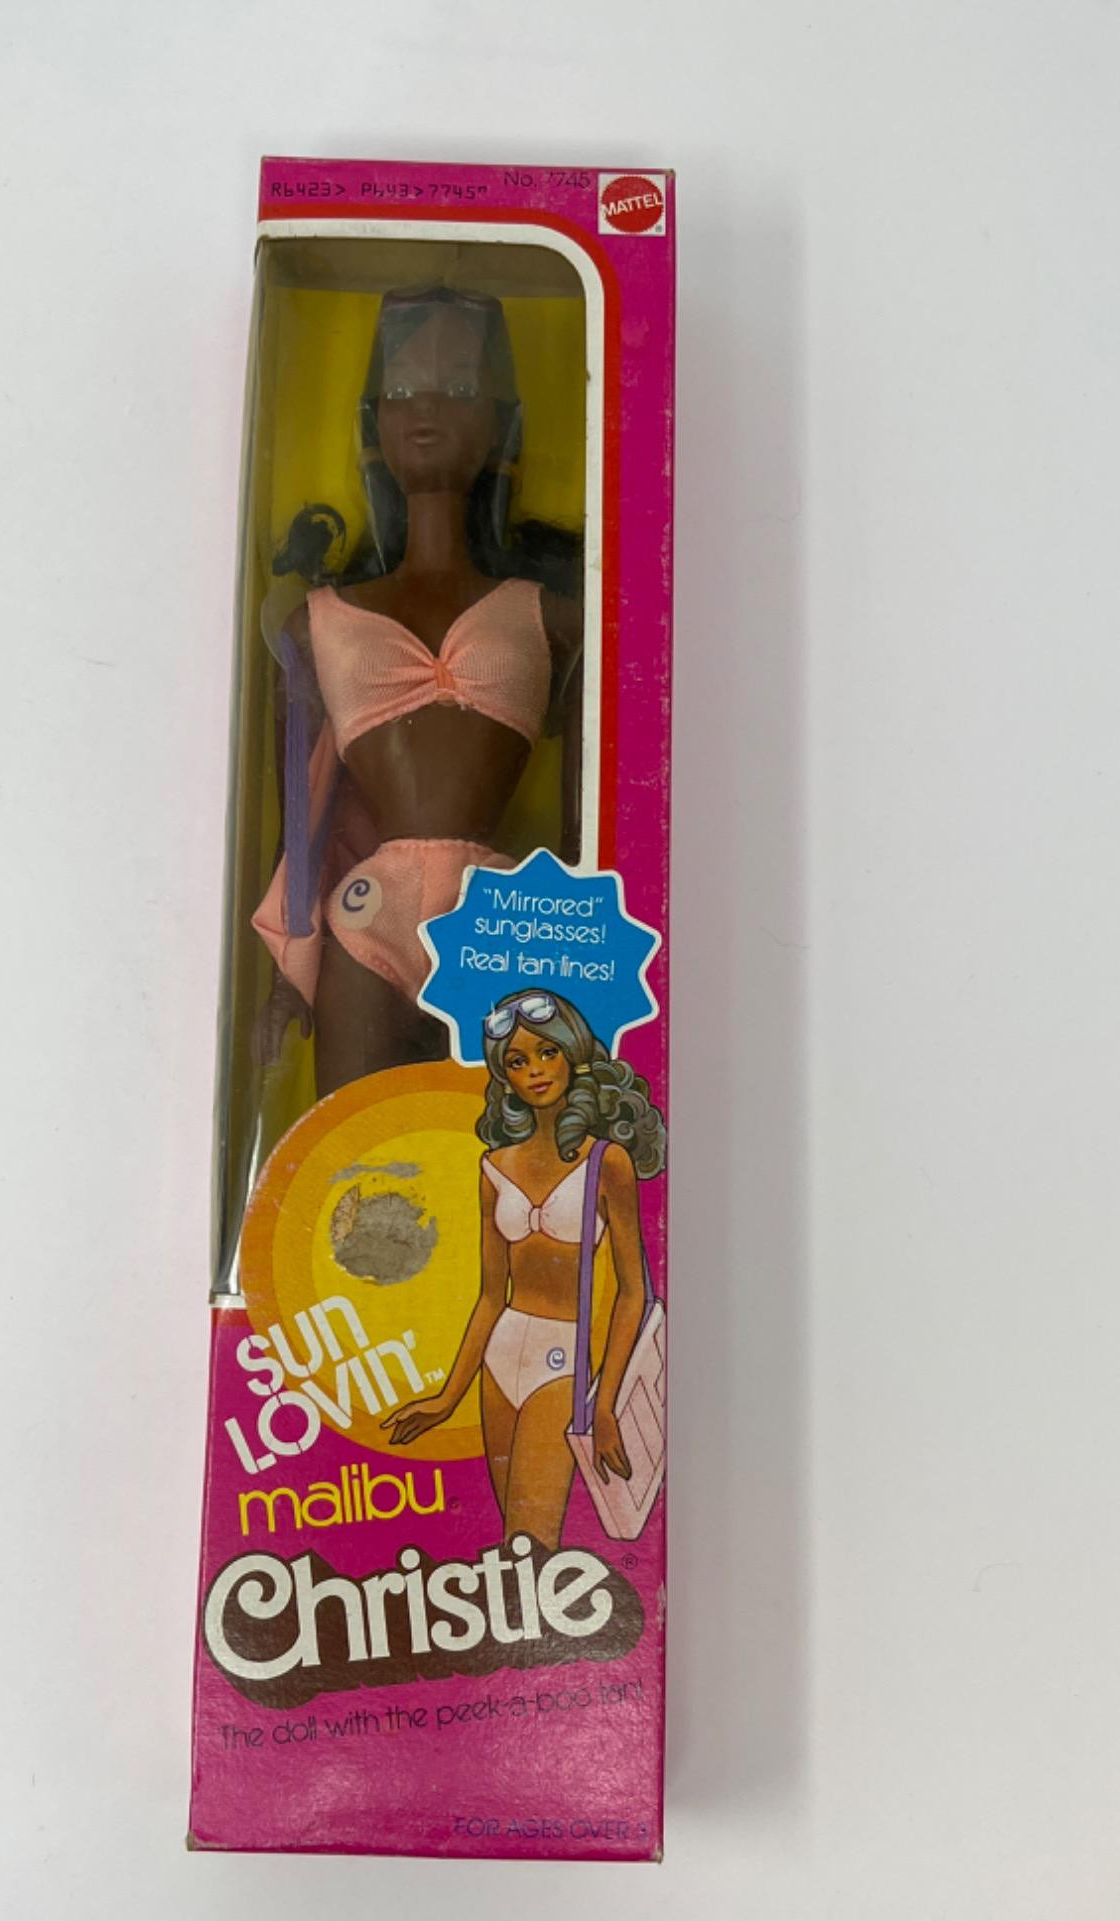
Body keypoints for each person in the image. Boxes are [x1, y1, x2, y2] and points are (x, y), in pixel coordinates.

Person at [251, 287, 584, 1093]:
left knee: (508, 1146)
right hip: (370, 919)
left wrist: (585, 937)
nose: (427, 407)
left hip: (504, 917)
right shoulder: (317, 623)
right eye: (402, 389)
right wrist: (287, 968)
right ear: (375, 421)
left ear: (500, 422)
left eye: (460, 387)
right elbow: (303, 805)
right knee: (354, 1150)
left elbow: (591, 817)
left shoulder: (553, 616)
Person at [382, 991, 666, 1549]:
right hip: (500, 1355)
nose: (535, 1070)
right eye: (517, 1061)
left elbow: (633, 1292)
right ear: (504, 1076)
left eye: (547, 1053)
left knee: (530, 1541)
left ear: (571, 1054)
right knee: (513, 1549)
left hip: (563, 1363)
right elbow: (491, 1296)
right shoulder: (494, 1166)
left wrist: (606, 1404)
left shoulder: (607, 1161)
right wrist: (447, 1397)